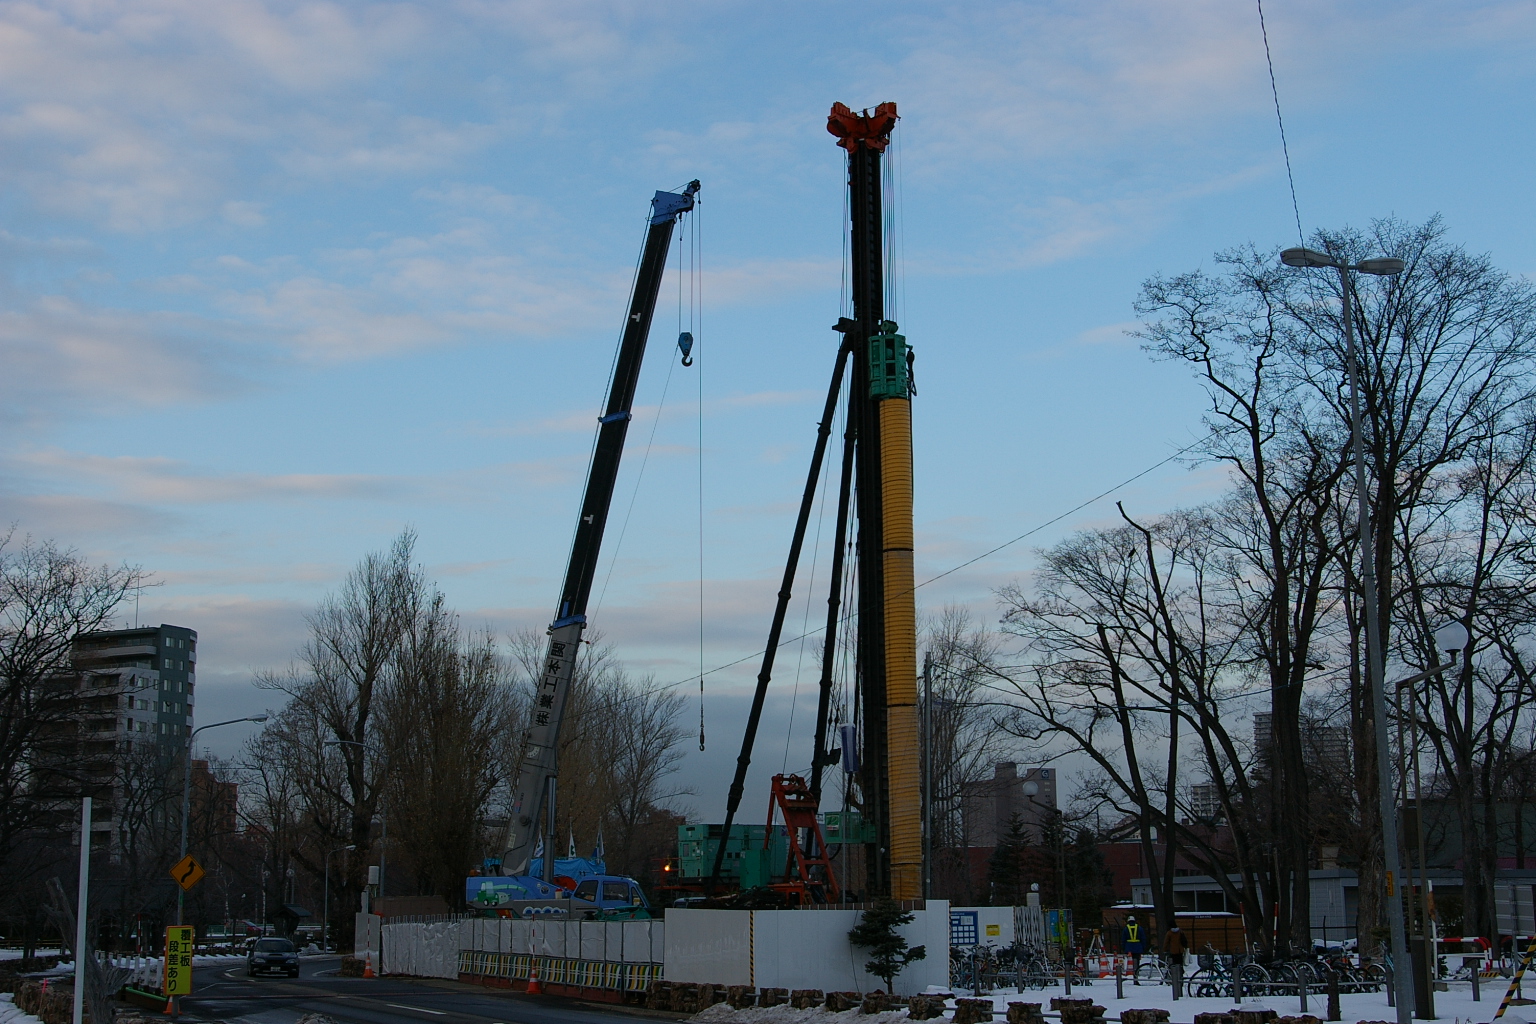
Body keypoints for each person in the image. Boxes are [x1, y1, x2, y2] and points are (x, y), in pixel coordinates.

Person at [1164, 922, 1189, 996]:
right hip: (1180, 951)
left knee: (1174, 966)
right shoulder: (1180, 932)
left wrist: (1164, 950)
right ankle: (1181, 977)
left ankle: (1175, 979)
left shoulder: (1169, 933)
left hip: (1173, 951)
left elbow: (1166, 942)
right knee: (1180, 965)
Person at [1122, 914, 1144, 983]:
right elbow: (1143, 938)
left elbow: (1123, 939)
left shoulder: (1126, 928)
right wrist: (1143, 948)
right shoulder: (1139, 928)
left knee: (1130, 963)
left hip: (1129, 947)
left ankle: (1134, 977)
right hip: (1138, 947)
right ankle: (1136, 977)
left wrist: (1124, 948)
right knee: (1137, 963)